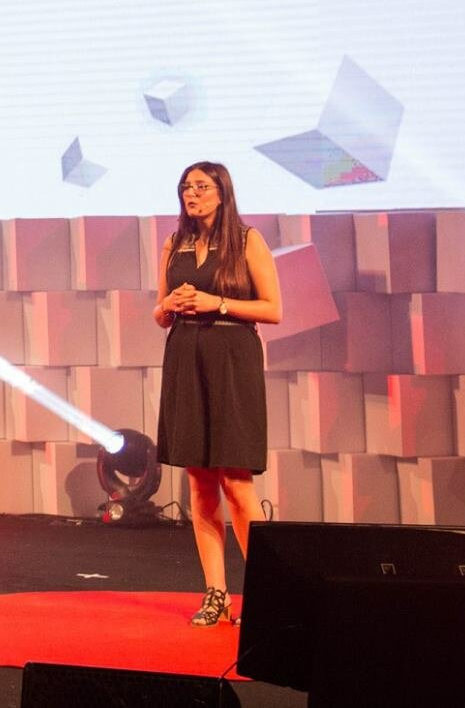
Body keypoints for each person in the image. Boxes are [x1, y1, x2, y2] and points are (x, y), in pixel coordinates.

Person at [151, 160, 282, 627]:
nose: (192, 194)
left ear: (222, 192)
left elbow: (273, 309)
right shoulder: (174, 244)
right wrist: (167, 307)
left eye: (202, 187)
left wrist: (217, 303)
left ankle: (271, 595)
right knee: (199, 485)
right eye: (186, 186)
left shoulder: (248, 241)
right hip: (186, 357)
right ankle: (216, 594)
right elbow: (160, 312)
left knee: (237, 486)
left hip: (232, 357)